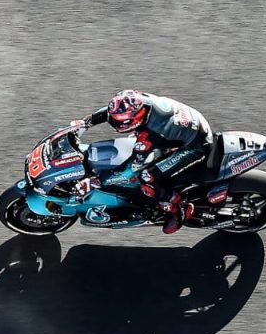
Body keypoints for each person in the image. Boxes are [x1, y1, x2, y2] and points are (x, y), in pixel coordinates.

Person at [68, 90, 213, 234]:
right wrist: (86, 123)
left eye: (119, 122)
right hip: (192, 123)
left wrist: (95, 181)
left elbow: (130, 170)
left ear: (133, 121)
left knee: (147, 176)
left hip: (196, 146)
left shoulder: (147, 138)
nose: (113, 123)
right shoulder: (137, 101)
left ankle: (177, 207)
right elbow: (110, 111)